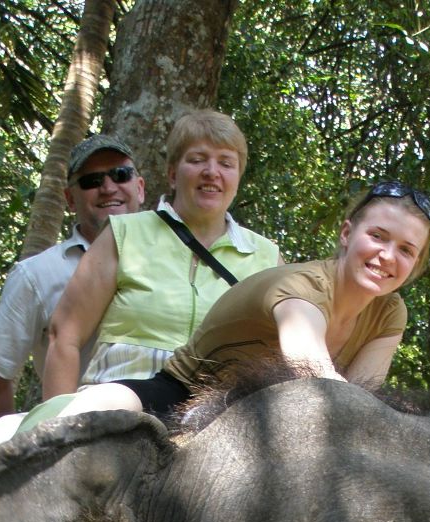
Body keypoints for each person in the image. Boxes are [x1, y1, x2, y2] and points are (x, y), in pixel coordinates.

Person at [50, 180, 430, 422]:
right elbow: (317, 377)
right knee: (96, 414)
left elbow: (362, 397)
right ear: (347, 233)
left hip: (263, 413)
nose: (387, 256)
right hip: (185, 392)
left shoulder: (390, 312)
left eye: (405, 249)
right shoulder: (305, 289)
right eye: (378, 236)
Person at [37, 109, 280, 413]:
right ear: (171, 173)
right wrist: (55, 428)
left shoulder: (266, 257)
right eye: (197, 159)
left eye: (226, 163)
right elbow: (65, 336)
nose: (211, 171)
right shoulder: (124, 233)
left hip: (219, 418)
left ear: (238, 177)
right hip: (116, 409)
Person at [0, 133, 145, 430]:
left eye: (121, 174)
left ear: (139, 188)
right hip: (84, 443)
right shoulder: (36, 274)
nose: (107, 187)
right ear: (69, 199)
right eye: (91, 181)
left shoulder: (178, 258)